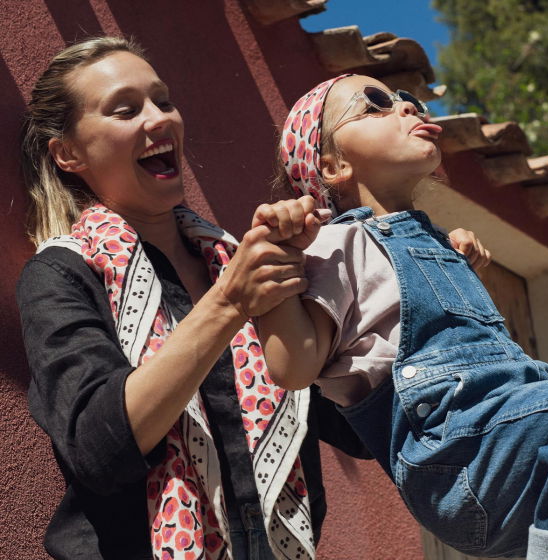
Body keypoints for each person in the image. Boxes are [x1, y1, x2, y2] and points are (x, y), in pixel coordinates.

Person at [16, 37, 371, 560]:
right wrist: (229, 303)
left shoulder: (239, 263)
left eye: (163, 100)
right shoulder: (60, 276)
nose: (159, 119)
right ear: (68, 153)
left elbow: (354, 426)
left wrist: (399, 271)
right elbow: (99, 447)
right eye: (125, 109)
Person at [254, 74, 548, 559]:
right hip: (457, 459)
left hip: (520, 439)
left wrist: (452, 260)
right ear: (333, 165)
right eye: (374, 104)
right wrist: (277, 259)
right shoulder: (335, 246)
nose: (405, 108)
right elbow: (293, 366)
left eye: (409, 100)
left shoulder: (441, 245)